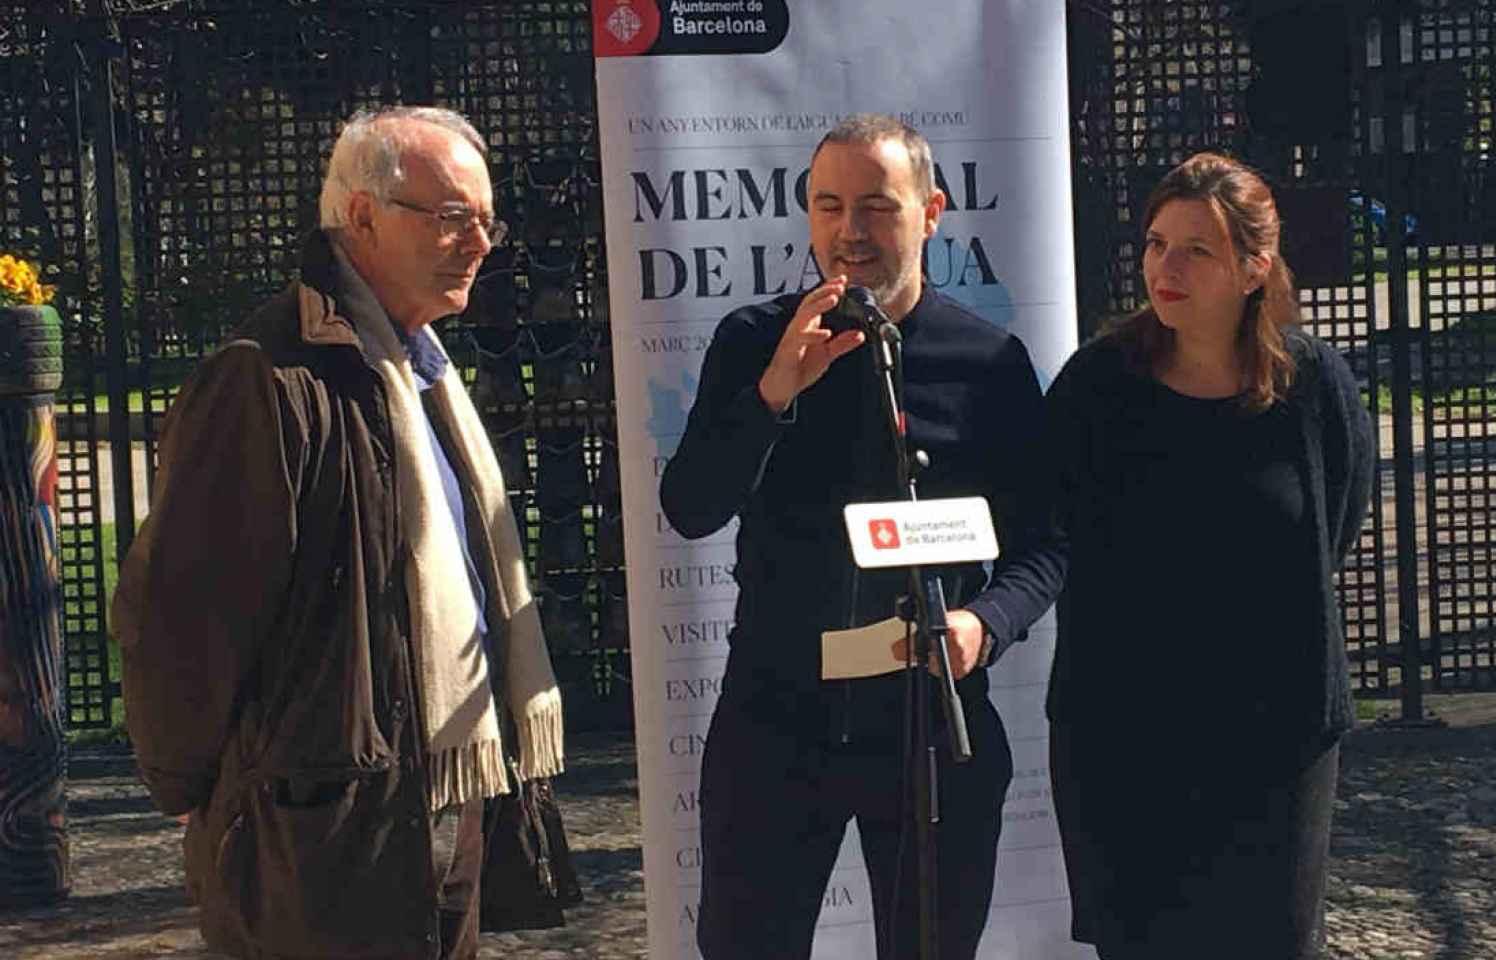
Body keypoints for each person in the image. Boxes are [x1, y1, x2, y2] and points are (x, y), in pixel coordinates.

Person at [113, 106, 567, 960]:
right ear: (361, 216)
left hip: (442, 798)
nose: (480, 243)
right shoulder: (270, 375)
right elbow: (184, 612)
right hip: (318, 826)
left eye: (486, 219)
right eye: (453, 217)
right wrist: (187, 787)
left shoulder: (423, 373)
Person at [659, 113, 1066, 959]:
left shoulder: (986, 362)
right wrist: (773, 394)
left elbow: (1046, 542)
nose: (850, 232)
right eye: (828, 206)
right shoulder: (752, 343)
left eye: (877, 207)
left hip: (927, 724)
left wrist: (983, 625)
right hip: (776, 719)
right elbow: (692, 506)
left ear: (931, 212)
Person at [1043, 152, 1375, 959]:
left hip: (1277, 739)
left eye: (1197, 249)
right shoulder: (1097, 386)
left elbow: (1335, 524)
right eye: (1157, 244)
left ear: (1255, 267)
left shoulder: (1313, 385)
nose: (1167, 267)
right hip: (1126, 739)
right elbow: (1050, 528)